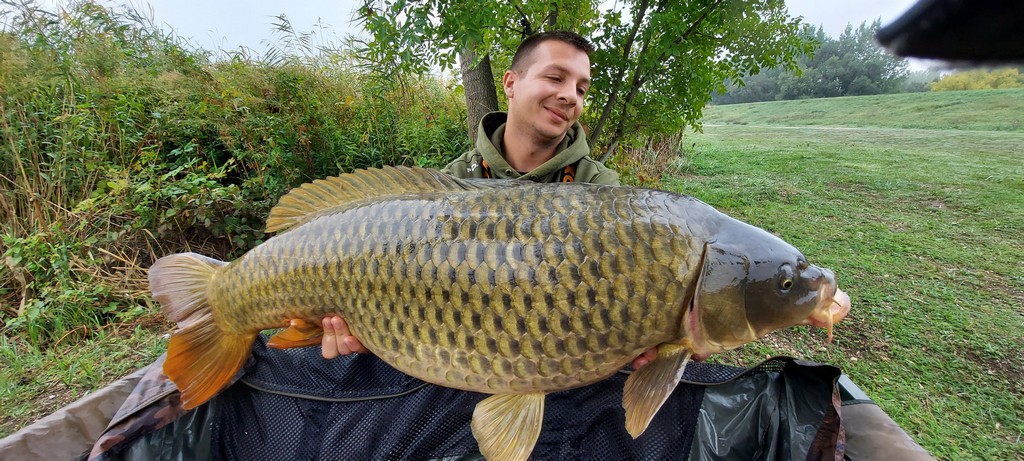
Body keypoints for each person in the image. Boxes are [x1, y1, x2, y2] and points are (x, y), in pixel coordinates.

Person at [317, 30, 661, 369]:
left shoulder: (598, 189)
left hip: (555, 364)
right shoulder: (453, 181)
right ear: (510, 83)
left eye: (581, 89)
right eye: (555, 78)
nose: (571, 96)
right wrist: (378, 328)